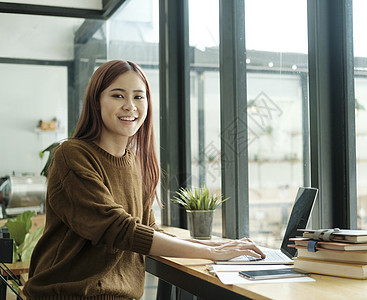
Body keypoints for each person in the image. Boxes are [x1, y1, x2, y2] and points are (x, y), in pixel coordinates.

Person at [23, 60, 265, 299]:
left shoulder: (135, 162)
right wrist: (210, 253)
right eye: (118, 96)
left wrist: (214, 247)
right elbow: (117, 229)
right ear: (96, 102)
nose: (130, 106)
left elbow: (147, 230)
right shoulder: (72, 155)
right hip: (66, 295)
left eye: (139, 97)